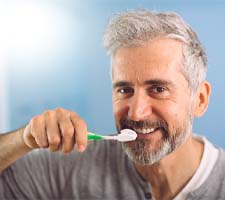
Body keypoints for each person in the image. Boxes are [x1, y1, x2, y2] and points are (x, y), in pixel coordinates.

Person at [0, 9, 225, 200]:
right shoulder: (72, 166)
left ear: (200, 100)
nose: (136, 113)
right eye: (124, 90)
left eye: (158, 89)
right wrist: (24, 139)